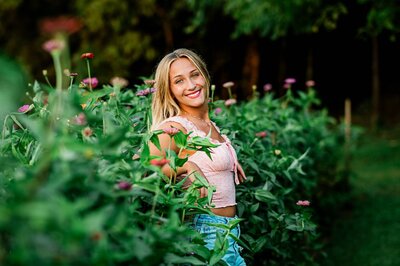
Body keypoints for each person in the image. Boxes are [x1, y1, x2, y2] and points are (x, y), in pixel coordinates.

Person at [149, 48, 247, 265]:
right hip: (206, 232)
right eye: (179, 81)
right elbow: (148, 166)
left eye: (195, 75)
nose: (191, 85)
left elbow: (210, 158)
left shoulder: (209, 125)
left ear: (205, 76)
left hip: (229, 232)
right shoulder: (175, 127)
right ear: (170, 90)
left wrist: (229, 159)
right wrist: (187, 166)